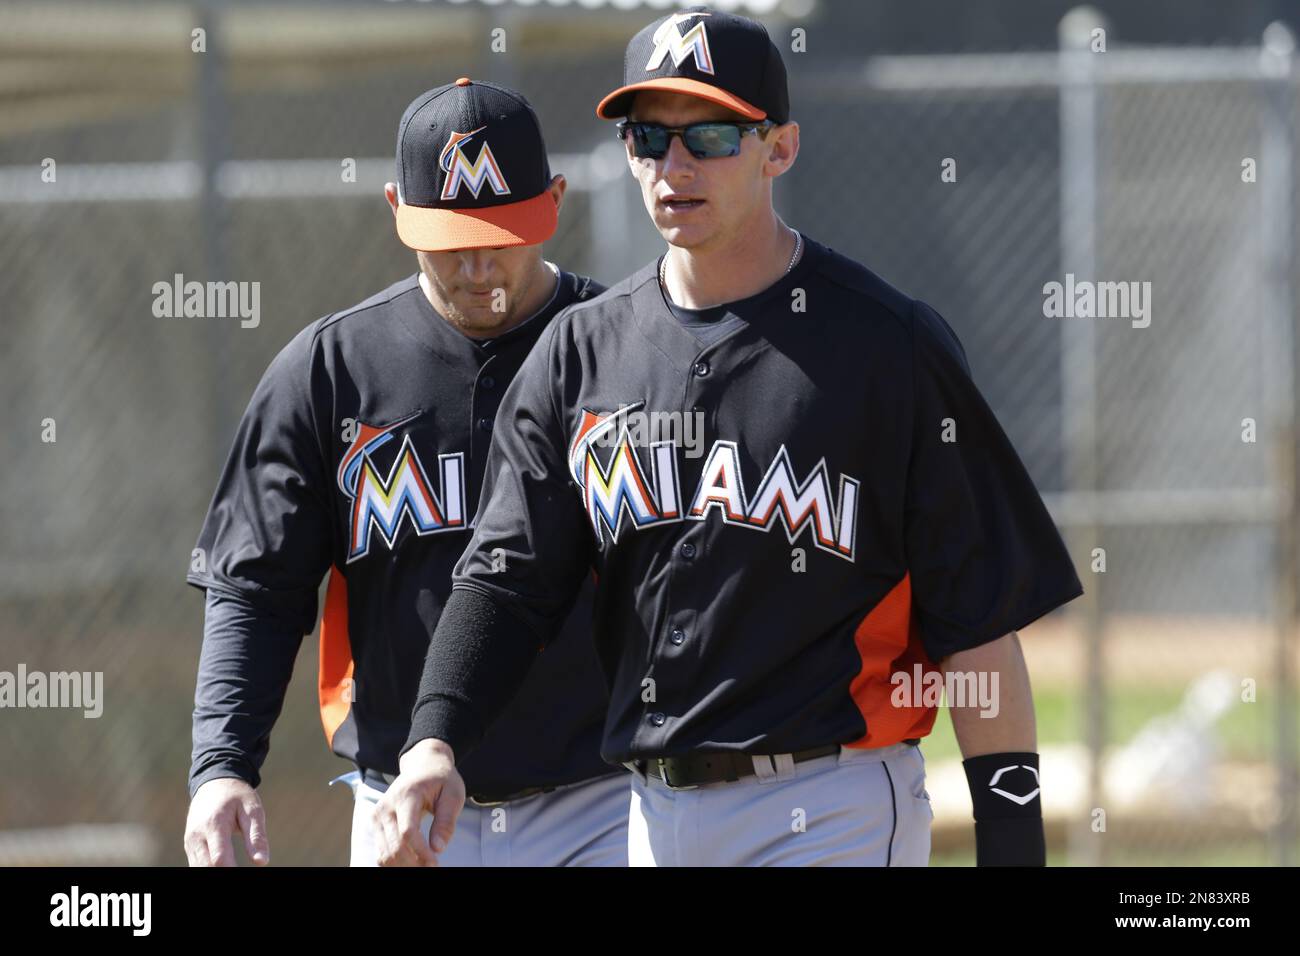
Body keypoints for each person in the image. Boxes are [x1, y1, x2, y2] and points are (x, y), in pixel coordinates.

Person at [376, 9, 1082, 867]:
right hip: (651, 814)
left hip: (832, 803)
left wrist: (1015, 845)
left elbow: (977, 623)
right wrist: (434, 741)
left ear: (778, 147)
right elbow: (507, 577)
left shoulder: (885, 346)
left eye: (709, 135)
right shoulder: (580, 349)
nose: (674, 165)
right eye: (648, 138)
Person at [183, 78, 627, 868]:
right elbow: (255, 587)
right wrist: (222, 767)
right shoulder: (331, 370)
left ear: (556, 201)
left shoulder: (622, 351)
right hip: (402, 809)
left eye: (503, 230)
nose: (479, 263)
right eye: (451, 237)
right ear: (396, 208)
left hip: (603, 800)